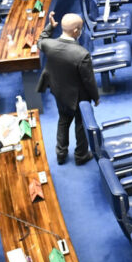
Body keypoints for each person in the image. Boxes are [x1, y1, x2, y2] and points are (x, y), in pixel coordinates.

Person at [38, 13, 99, 165]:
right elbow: (89, 80)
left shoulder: (49, 45)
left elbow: (40, 40)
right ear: (76, 31)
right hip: (79, 97)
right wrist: (96, 97)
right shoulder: (82, 54)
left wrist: (50, 26)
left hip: (59, 92)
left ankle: (61, 154)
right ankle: (81, 155)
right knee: (80, 123)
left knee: (63, 121)